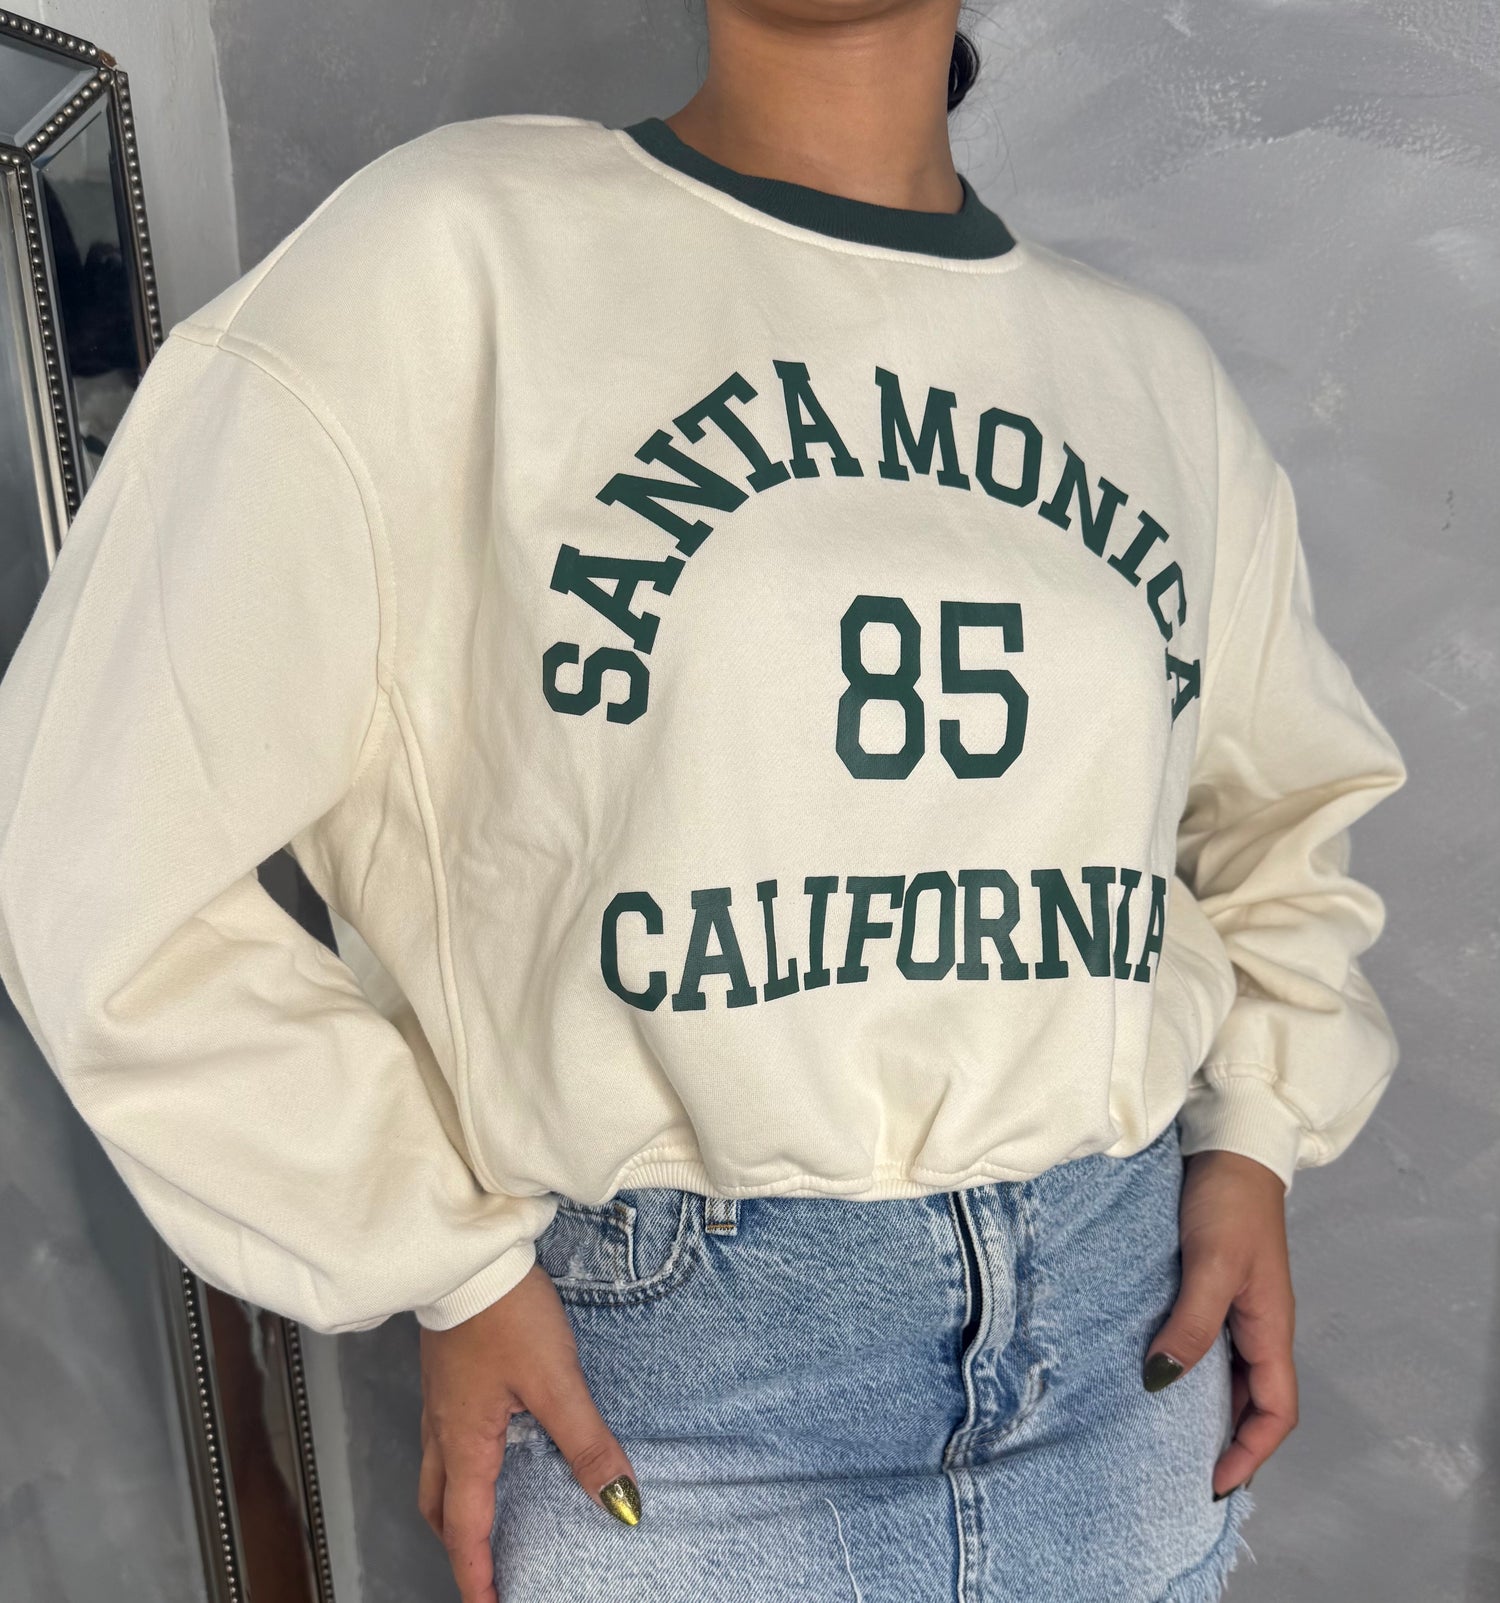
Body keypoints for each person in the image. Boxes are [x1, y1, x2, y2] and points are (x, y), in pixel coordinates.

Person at [0, 1, 1408, 1599]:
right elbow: (91, 839)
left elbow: (1287, 806)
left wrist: (1257, 1136)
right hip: (684, 1410)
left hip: (1120, 1353)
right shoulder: (447, 264)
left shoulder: (1148, 379)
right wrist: (440, 1257)